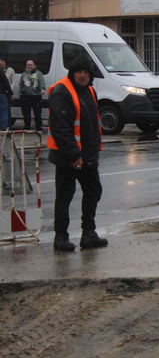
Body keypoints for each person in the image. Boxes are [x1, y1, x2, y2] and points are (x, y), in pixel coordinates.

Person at [48, 56, 107, 252]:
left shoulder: (89, 90)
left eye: (86, 72)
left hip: (87, 154)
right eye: (78, 72)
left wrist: (94, 148)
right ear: (72, 73)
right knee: (65, 196)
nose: (82, 76)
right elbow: (61, 128)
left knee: (93, 191)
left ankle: (89, 234)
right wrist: (74, 156)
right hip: (67, 156)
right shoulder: (61, 91)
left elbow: (90, 122)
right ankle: (61, 237)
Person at [18, 60, 46, 131]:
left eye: (31, 65)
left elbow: (41, 82)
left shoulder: (38, 73)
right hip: (25, 96)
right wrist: (20, 93)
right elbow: (20, 84)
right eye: (28, 65)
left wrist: (42, 89)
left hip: (36, 96)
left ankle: (38, 128)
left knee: (37, 113)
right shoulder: (24, 74)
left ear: (34, 65)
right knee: (26, 113)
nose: (29, 66)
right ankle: (27, 127)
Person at [0, 56, 13, 126]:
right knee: (3, 112)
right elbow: (6, 83)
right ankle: (4, 129)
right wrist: (10, 93)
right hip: (1, 94)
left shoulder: (10, 70)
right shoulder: (1, 71)